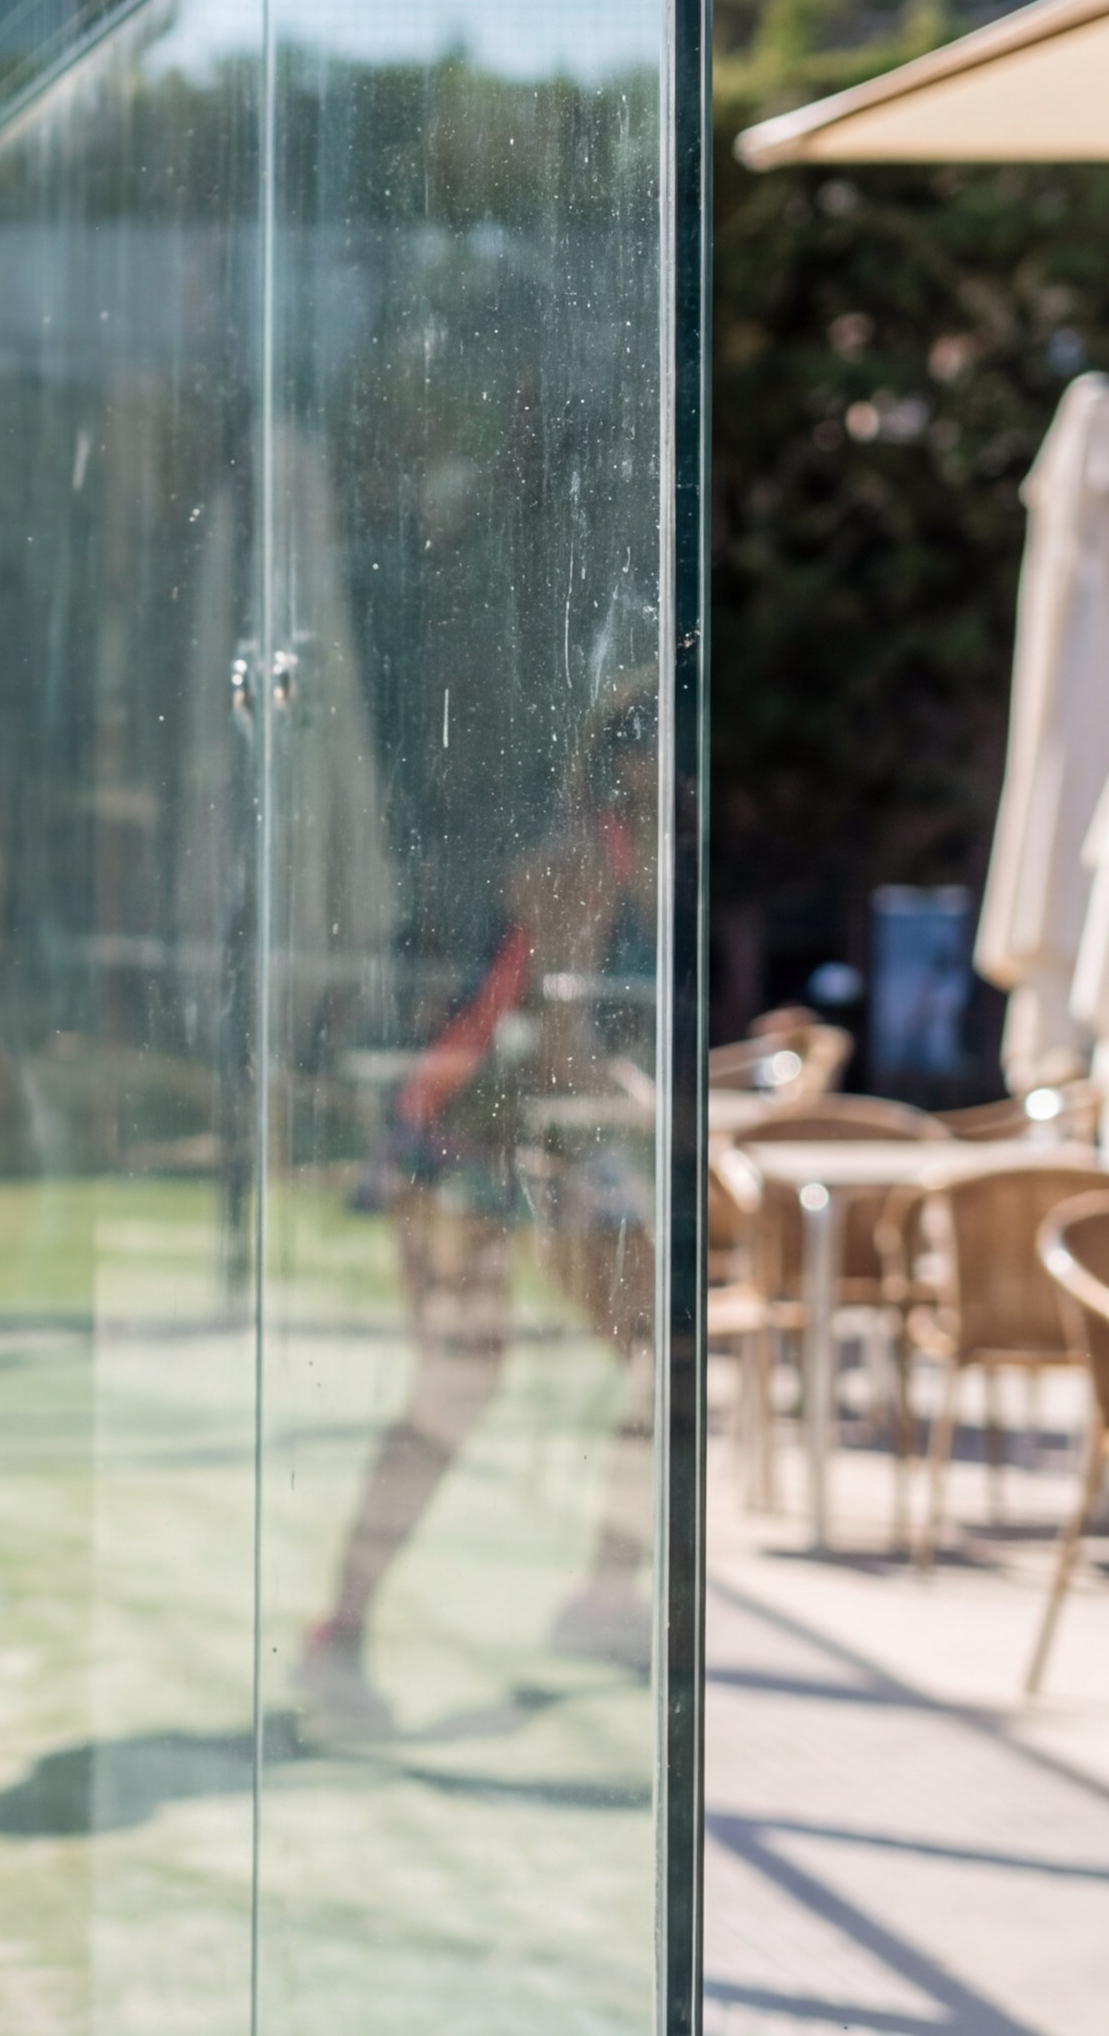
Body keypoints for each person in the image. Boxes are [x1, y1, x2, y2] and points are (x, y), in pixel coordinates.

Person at [289, 689, 663, 1740]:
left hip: (518, 1137)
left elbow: (565, 1043)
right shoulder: (582, 859)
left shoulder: (615, 851)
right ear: (634, 768)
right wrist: (653, 1116)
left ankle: (603, 1596)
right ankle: (341, 1638)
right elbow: (553, 1043)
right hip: (464, 1140)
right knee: (460, 1386)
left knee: (656, 1348)